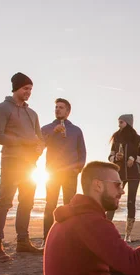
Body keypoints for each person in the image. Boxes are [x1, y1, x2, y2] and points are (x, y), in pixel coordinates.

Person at [0, 72, 44, 261]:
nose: (28, 92)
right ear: (16, 89)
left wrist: (38, 149)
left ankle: (23, 242)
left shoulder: (32, 113)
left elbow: (40, 140)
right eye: (25, 89)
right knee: (4, 202)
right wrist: (23, 141)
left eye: (30, 89)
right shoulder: (2, 108)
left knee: (27, 202)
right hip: (11, 162)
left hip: (30, 165)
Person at [42, 98, 86, 240]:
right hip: (52, 173)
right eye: (56, 107)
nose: (57, 109)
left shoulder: (76, 130)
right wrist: (54, 133)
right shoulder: (46, 128)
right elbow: (40, 146)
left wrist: (77, 169)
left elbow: (82, 152)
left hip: (70, 174)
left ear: (68, 111)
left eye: (61, 107)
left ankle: (68, 238)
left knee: (69, 206)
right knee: (50, 205)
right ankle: (47, 239)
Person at [106, 114, 140, 242]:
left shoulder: (138, 139)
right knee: (113, 199)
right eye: (118, 122)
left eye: (121, 122)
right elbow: (110, 157)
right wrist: (115, 158)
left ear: (128, 123)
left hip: (134, 174)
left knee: (131, 201)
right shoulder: (116, 138)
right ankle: (106, 229)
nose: (119, 125)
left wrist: (134, 159)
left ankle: (127, 235)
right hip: (119, 174)